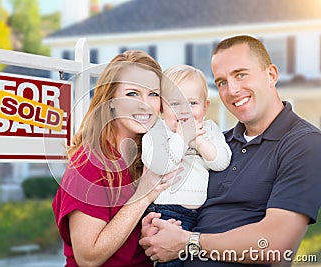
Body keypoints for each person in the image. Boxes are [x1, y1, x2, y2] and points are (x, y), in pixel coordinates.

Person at [139, 35, 321, 266]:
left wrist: (188, 243)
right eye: (222, 82)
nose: (232, 90)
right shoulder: (218, 143)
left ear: (271, 75)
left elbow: (275, 243)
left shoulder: (304, 143)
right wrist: (156, 228)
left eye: (241, 74)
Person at [52, 50, 181, 267]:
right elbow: (88, 257)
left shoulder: (149, 155)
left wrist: (149, 230)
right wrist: (143, 196)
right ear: (110, 100)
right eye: (132, 94)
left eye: (153, 94)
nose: (145, 104)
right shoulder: (89, 164)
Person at [141, 65, 232, 266]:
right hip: (165, 213)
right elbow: (158, 164)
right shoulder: (157, 132)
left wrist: (200, 143)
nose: (185, 111)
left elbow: (222, 162)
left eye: (192, 103)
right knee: (170, 262)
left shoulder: (208, 130)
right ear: (162, 108)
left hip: (201, 215)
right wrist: (182, 138)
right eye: (175, 104)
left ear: (205, 107)